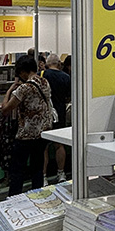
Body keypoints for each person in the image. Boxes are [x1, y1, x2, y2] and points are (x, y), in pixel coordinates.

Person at [1, 55, 53, 196]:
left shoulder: (24, 88)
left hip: (26, 134)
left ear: (23, 71)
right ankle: (37, 195)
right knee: (37, 168)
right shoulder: (45, 82)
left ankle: (14, 198)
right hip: (42, 132)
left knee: (17, 169)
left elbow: (5, 109)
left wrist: (9, 90)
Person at [41, 53, 71, 184]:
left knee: (44, 147)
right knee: (59, 144)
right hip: (60, 113)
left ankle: (43, 176)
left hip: (44, 114)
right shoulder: (66, 77)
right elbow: (69, 97)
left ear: (47, 64)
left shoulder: (42, 75)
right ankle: (61, 173)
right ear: (58, 63)